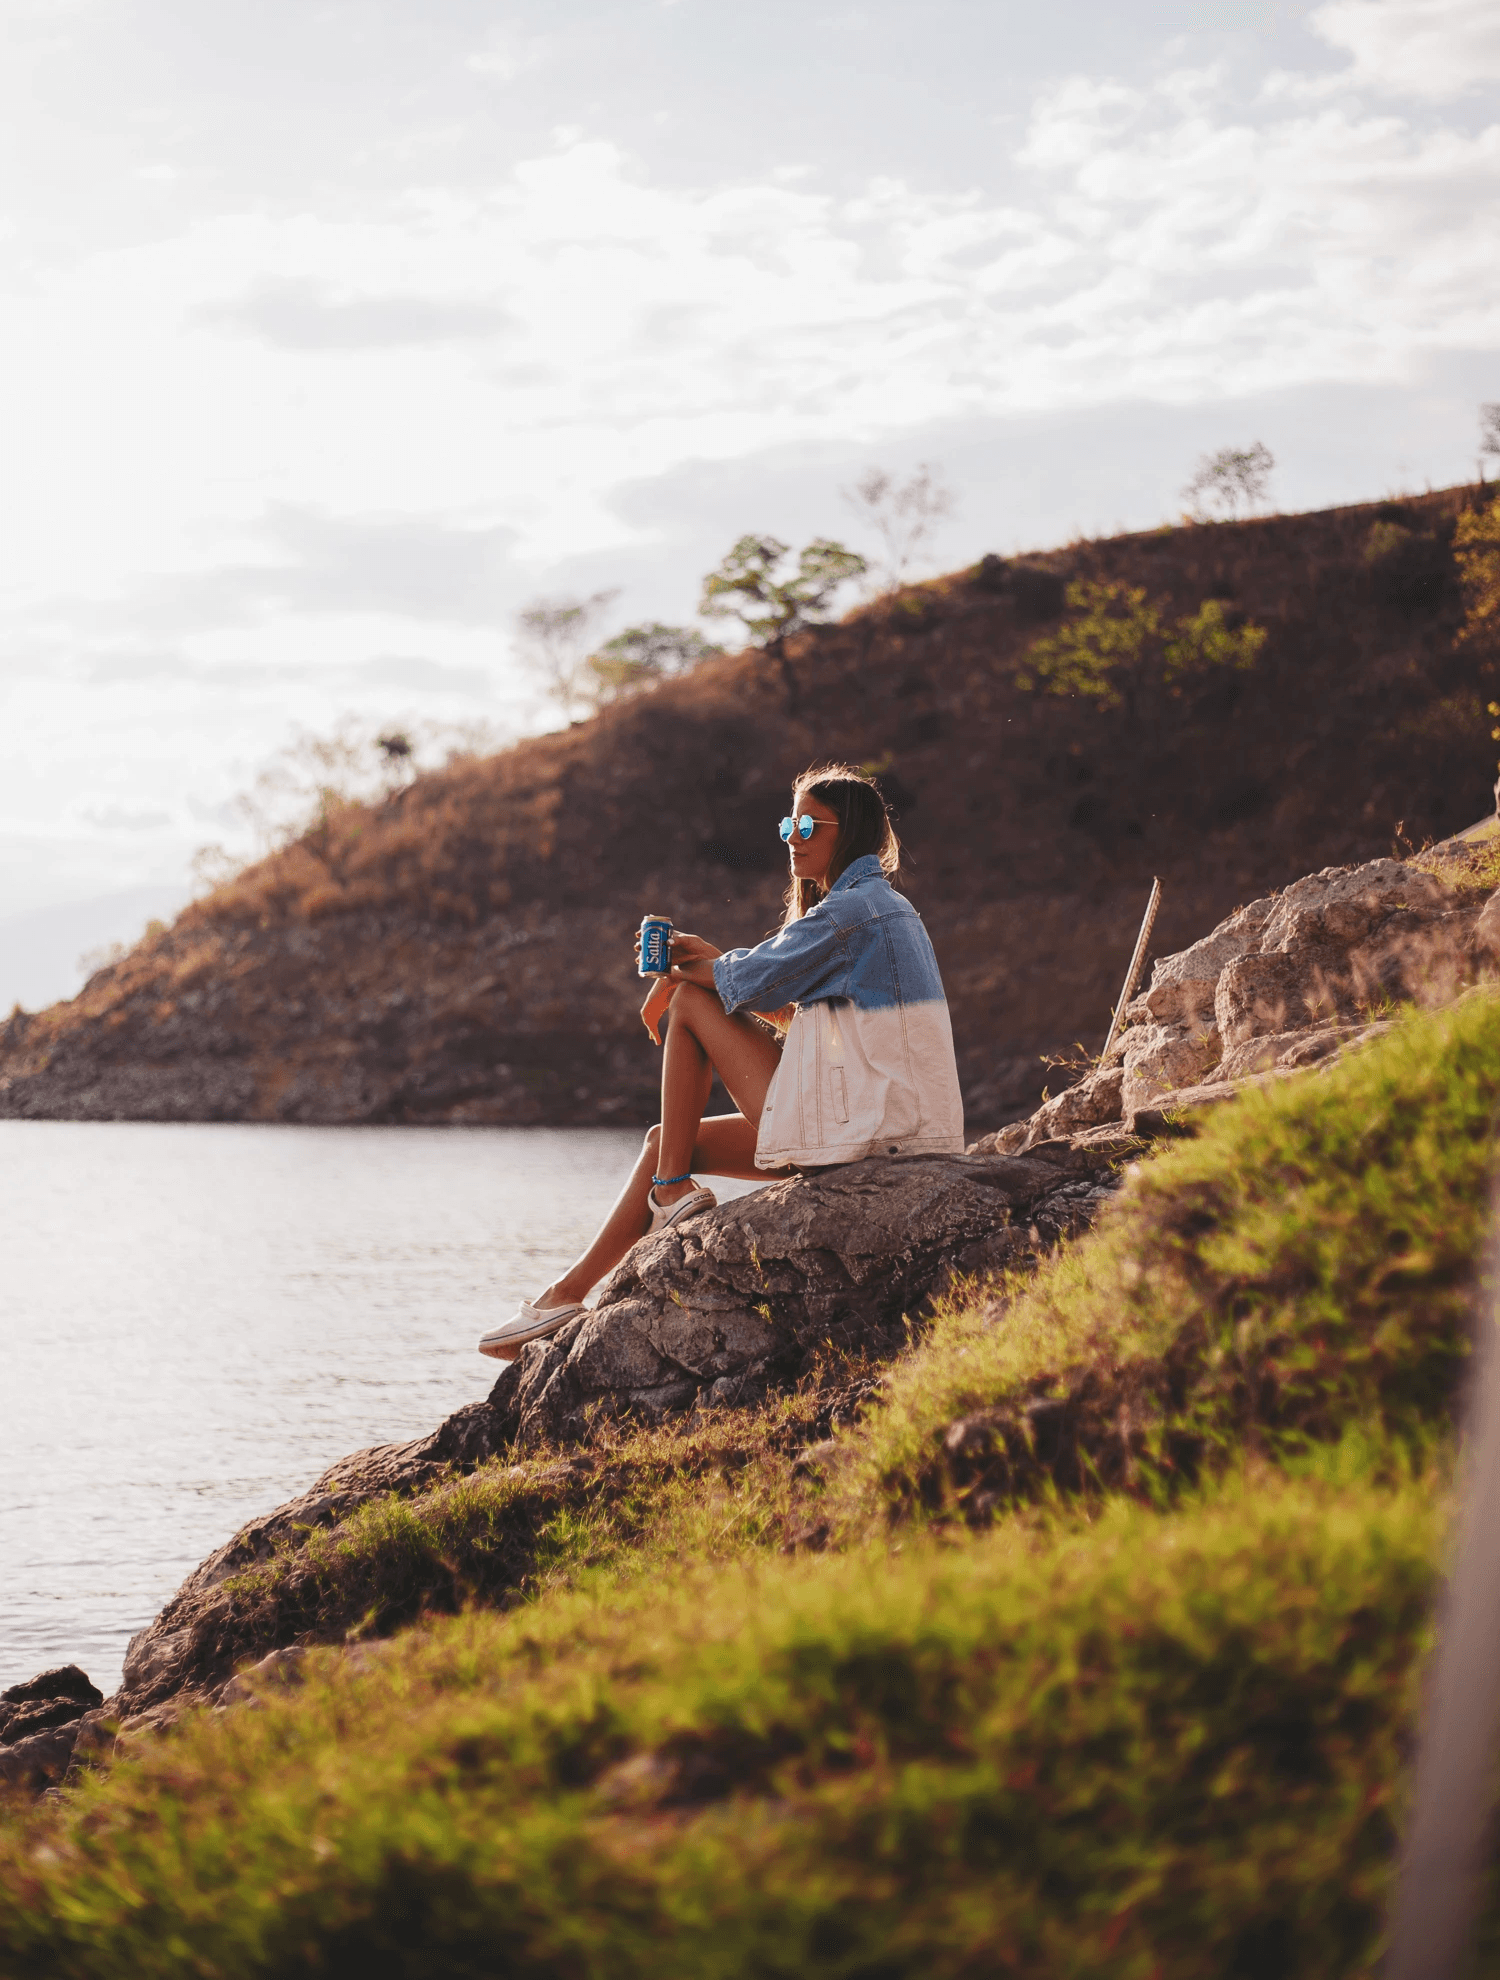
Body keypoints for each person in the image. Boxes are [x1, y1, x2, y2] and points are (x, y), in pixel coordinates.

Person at [477, 762, 965, 1359]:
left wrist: (692, 973)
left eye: (810, 827)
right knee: (665, 1142)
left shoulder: (853, 911)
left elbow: (748, 981)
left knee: (686, 1002)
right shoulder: (877, 909)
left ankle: (673, 1193)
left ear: (852, 834)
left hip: (866, 1134)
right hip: (878, 1125)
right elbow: (787, 1009)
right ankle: (563, 1296)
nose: (792, 838)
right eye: (790, 823)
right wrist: (713, 966)